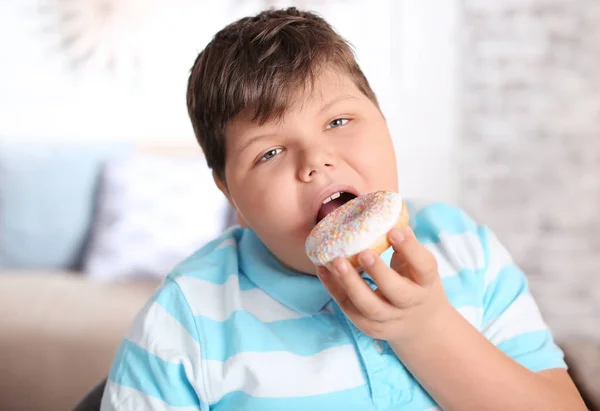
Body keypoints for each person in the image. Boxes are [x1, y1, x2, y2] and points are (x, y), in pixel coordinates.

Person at [100, 7, 586, 410]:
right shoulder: (183, 323)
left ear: (386, 124)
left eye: (338, 120)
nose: (316, 161)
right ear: (232, 198)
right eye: (269, 153)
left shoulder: (467, 250)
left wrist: (426, 329)